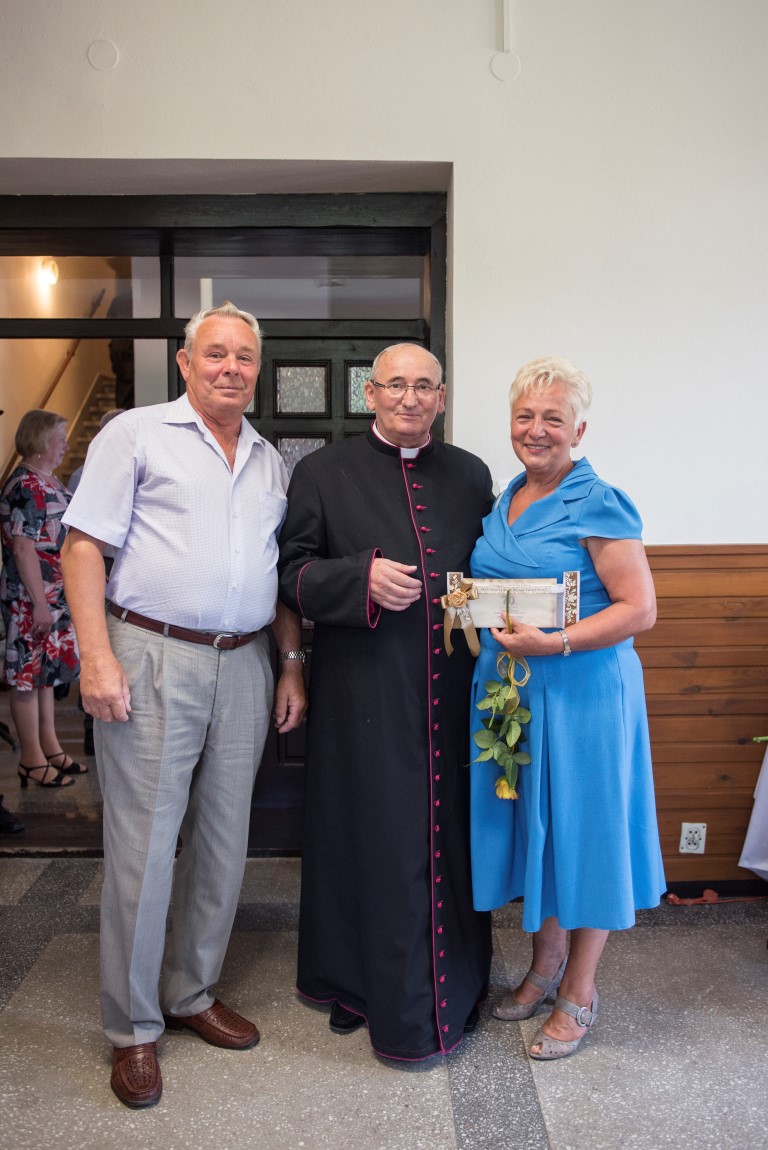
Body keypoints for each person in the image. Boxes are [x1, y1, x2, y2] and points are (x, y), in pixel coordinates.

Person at [61, 301, 307, 1109]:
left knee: (224, 843)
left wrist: (290, 664)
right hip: (151, 654)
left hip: (246, 662)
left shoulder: (269, 460)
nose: (231, 367)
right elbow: (83, 547)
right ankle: (133, 1027)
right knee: (143, 847)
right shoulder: (134, 434)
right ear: (185, 362)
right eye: (216, 353)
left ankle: (190, 992)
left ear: (257, 369)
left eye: (244, 356)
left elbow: (274, 575)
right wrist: (96, 656)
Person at [278, 343, 494, 1061]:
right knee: (368, 836)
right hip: (362, 690)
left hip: (454, 691)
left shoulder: (470, 473)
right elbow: (289, 572)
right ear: (369, 394)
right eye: (395, 384)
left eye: (424, 386)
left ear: (441, 397)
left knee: (447, 836)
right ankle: (356, 982)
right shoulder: (321, 471)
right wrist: (358, 579)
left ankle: (454, 983)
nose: (410, 397)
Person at [469, 356, 665, 1061]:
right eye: (525, 416)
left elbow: (639, 608)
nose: (537, 429)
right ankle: (544, 966)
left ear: (578, 429)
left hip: (582, 694)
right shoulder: (507, 498)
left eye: (553, 418)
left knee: (585, 833)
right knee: (538, 831)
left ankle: (579, 991)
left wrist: (554, 644)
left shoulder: (599, 501)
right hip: (512, 693)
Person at [0, 410, 83, 787]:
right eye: (59, 438)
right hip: (29, 597)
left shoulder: (47, 479)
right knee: (25, 676)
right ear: (40, 441)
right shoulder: (26, 485)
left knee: (45, 675)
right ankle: (31, 759)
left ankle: (50, 747)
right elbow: (22, 547)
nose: (66, 444)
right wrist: (37, 603)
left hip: (53, 595)